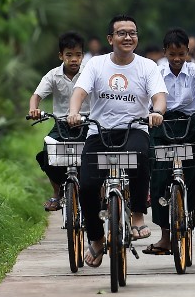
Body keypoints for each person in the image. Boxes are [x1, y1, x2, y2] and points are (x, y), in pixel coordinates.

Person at [68, 15, 167, 268]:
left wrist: (156, 112)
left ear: (137, 38)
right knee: (88, 187)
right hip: (98, 132)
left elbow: (159, 97)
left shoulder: (148, 66)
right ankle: (97, 239)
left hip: (133, 129)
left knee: (140, 156)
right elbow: (80, 91)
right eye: (121, 33)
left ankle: (137, 214)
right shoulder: (96, 65)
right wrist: (74, 111)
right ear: (110, 39)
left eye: (132, 33)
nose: (128, 37)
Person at [145, 29, 195, 256]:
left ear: (188, 51)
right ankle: (165, 237)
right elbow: (143, 94)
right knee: (159, 173)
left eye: (181, 54)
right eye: (172, 54)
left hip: (190, 122)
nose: (177, 59)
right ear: (165, 53)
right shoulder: (156, 71)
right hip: (162, 122)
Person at [28, 31, 90, 212]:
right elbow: (36, 95)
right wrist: (34, 109)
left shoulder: (89, 72)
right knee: (48, 153)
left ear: (82, 56)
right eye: (69, 55)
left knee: (94, 155)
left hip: (87, 123)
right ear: (61, 56)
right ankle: (57, 193)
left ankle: (99, 193)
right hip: (61, 124)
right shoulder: (53, 75)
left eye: (78, 55)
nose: (73, 59)